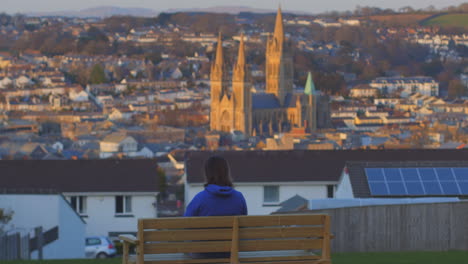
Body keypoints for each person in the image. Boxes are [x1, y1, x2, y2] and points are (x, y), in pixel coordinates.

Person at [184, 156, 247, 258]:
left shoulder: (200, 199)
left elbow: (185, 225)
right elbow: (243, 226)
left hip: (203, 255)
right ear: (227, 172)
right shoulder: (239, 198)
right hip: (230, 254)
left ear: (207, 174)